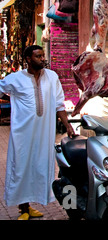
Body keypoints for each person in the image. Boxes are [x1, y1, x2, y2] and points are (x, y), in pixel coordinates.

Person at [0, 45, 76, 220]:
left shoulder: (52, 77)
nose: (43, 59)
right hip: (22, 134)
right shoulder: (16, 79)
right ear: (28, 59)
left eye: (43, 56)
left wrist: (68, 125)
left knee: (38, 167)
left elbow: (59, 104)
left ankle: (31, 205)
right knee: (21, 168)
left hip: (44, 133)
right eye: (38, 56)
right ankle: (24, 209)